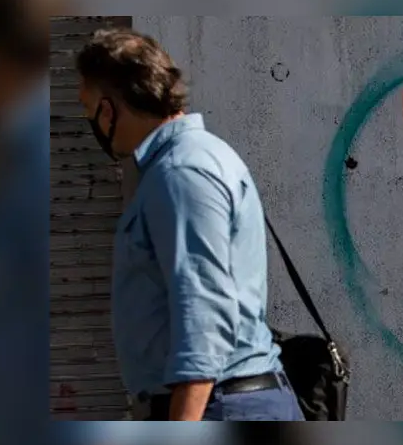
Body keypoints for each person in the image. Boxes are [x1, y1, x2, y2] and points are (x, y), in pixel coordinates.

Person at [76, 28, 304, 422]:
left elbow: (202, 313)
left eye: (89, 109)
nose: (91, 123)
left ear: (109, 109)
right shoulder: (184, 163)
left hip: (219, 406)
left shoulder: (181, 172)